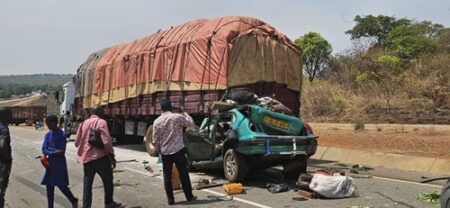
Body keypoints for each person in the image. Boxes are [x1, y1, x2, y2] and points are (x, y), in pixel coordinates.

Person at [75, 106, 122, 208]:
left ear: (91, 112)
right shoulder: (102, 122)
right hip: (100, 158)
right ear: (100, 112)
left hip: (87, 159)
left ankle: (86, 206)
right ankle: (108, 203)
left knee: (87, 184)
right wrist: (111, 155)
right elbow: (106, 141)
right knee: (108, 180)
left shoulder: (83, 123)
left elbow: (76, 142)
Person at [152, 98, 197, 205]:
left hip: (165, 153)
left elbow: (154, 140)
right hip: (178, 150)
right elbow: (191, 124)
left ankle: (170, 200)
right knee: (183, 174)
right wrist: (184, 113)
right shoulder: (177, 117)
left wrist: (160, 149)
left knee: (167, 176)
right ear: (170, 107)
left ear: (161, 109)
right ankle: (189, 197)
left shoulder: (156, 121)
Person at [41, 115, 78, 208]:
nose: (48, 126)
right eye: (47, 124)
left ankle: (73, 200)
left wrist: (49, 151)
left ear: (55, 123)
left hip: (59, 164)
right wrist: (53, 152)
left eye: (49, 124)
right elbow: (43, 149)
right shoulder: (47, 135)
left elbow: (61, 152)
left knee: (62, 185)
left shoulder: (62, 134)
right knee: (49, 186)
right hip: (50, 164)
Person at [0, 108, 12, 208]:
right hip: (2, 163)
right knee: (1, 191)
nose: (11, 117)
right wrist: (8, 158)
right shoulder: (3, 129)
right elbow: (2, 145)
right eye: (9, 115)